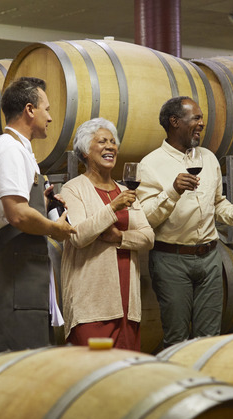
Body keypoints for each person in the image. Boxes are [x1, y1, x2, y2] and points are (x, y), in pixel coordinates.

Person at [0, 76, 75, 354]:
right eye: (47, 109)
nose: (51, 118)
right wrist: (55, 229)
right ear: (30, 110)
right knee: (20, 355)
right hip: (13, 265)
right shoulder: (9, 150)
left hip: (19, 263)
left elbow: (16, 207)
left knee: (29, 348)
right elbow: (17, 215)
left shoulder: (16, 149)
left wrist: (41, 203)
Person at [137, 96, 233, 349]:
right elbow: (145, 218)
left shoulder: (208, 158)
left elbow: (218, 203)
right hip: (171, 261)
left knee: (209, 339)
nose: (202, 123)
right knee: (176, 338)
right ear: (175, 122)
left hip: (210, 257)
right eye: (196, 118)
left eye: (201, 118)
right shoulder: (150, 165)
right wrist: (172, 191)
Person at [59, 118, 154, 350]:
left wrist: (120, 238)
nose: (110, 146)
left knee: (124, 375)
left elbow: (148, 237)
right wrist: (112, 208)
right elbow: (78, 236)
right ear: (85, 151)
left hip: (127, 302)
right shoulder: (73, 189)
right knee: (91, 373)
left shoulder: (124, 191)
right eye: (102, 141)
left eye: (113, 142)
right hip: (91, 303)